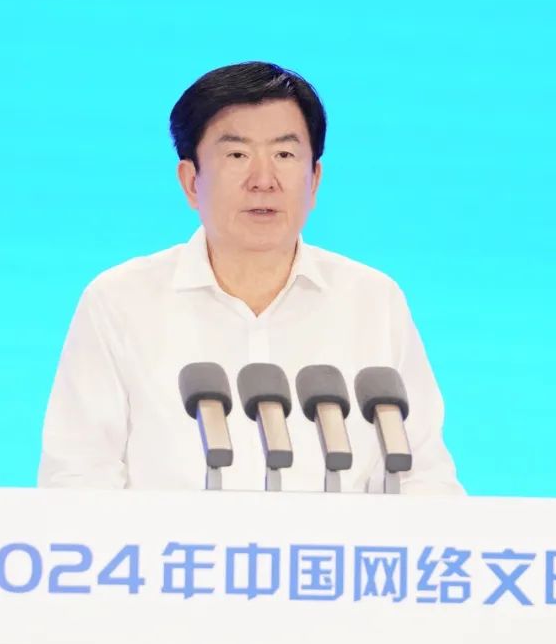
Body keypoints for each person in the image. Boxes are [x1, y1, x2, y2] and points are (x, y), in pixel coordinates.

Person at [38, 61, 463, 494]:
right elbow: (76, 477)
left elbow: (424, 477)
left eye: (284, 155)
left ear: (314, 180)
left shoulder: (373, 300)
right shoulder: (120, 301)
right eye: (237, 155)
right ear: (191, 181)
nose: (264, 180)